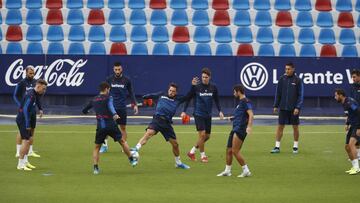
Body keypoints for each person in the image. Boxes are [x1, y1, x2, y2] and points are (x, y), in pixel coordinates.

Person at [132, 82, 195, 169]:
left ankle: (178, 163)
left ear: (176, 92)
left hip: (167, 124)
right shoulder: (161, 94)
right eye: (170, 90)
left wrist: (193, 85)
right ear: (168, 90)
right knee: (149, 133)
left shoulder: (178, 99)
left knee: (175, 144)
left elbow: (189, 96)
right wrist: (146, 97)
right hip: (157, 120)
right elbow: (150, 95)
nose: (171, 92)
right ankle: (136, 148)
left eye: (173, 91)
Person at [82, 82, 137, 175]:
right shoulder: (109, 97)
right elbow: (111, 106)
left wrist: (86, 111)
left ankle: (95, 168)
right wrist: (115, 114)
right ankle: (132, 160)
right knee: (122, 142)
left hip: (101, 126)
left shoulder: (94, 99)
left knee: (96, 147)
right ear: (107, 89)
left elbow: (84, 110)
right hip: (111, 125)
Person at [181, 68, 224, 163]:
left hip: (208, 115)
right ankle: (203, 155)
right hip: (198, 114)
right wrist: (184, 111)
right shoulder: (196, 87)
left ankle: (192, 151)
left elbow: (216, 100)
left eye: (206, 77)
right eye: (203, 77)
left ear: (210, 77)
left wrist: (220, 111)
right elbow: (188, 98)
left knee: (207, 136)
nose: (204, 79)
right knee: (203, 135)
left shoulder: (213, 87)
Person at [100, 62, 139, 153]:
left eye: (119, 69)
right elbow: (104, 92)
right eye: (116, 69)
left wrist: (135, 104)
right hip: (111, 108)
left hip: (122, 108)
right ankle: (105, 146)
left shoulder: (127, 80)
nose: (117, 71)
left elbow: (131, 92)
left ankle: (123, 146)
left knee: (123, 128)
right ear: (113, 70)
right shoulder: (109, 79)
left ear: (122, 69)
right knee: (106, 127)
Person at [217, 84, 254, 178]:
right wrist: (232, 118)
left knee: (235, 151)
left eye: (234, 92)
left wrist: (249, 126)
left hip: (240, 129)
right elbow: (241, 115)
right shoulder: (240, 102)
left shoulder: (245, 101)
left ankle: (246, 170)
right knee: (228, 150)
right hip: (235, 128)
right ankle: (227, 171)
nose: (233, 94)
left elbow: (251, 114)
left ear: (238, 91)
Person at [271, 63, 304, 154]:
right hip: (283, 108)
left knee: (295, 127)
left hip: (294, 109)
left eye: (289, 69)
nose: (287, 71)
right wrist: (275, 105)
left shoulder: (298, 80)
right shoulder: (282, 79)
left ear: (293, 69)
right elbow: (278, 93)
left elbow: (300, 95)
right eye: (286, 69)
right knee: (280, 126)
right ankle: (277, 147)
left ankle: (295, 147)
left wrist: (297, 107)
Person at [16, 79, 47, 171]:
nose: (44, 91)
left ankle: (25, 162)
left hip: (26, 119)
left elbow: (36, 101)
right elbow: (25, 109)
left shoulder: (35, 94)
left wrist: (40, 109)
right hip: (23, 119)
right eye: (43, 88)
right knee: (25, 141)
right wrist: (27, 123)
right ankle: (20, 164)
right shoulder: (31, 95)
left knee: (28, 140)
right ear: (38, 86)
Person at [13, 65, 43, 158]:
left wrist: (40, 108)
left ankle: (30, 151)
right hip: (24, 110)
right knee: (21, 131)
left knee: (32, 130)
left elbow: (37, 97)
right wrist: (20, 106)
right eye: (30, 73)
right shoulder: (21, 83)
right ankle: (18, 151)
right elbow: (15, 96)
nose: (32, 75)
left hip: (33, 110)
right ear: (26, 73)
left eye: (33, 73)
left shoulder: (35, 82)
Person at [334, 89, 360, 175]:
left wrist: (359, 128)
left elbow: (358, 112)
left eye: (336, 95)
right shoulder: (344, 103)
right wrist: (347, 123)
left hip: (358, 125)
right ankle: (353, 166)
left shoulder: (350, 103)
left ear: (341, 95)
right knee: (347, 147)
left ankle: (357, 168)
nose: (335, 97)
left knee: (352, 144)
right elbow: (350, 114)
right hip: (352, 125)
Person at [349, 69, 360, 160]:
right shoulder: (352, 86)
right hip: (355, 114)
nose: (353, 78)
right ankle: (357, 154)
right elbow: (351, 100)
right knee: (356, 134)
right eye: (352, 77)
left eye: (354, 77)